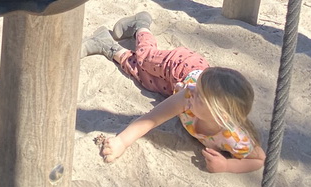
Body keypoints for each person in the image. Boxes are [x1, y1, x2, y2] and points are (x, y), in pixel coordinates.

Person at [82, 12, 265, 174]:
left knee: (142, 76)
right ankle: (141, 25)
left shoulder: (235, 138)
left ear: (221, 115)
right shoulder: (189, 94)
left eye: (200, 95)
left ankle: (105, 44)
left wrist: (227, 166)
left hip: (176, 85)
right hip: (182, 66)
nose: (193, 91)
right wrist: (122, 141)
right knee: (145, 59)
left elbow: (258, 160)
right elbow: (151, 119)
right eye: (196, 90)